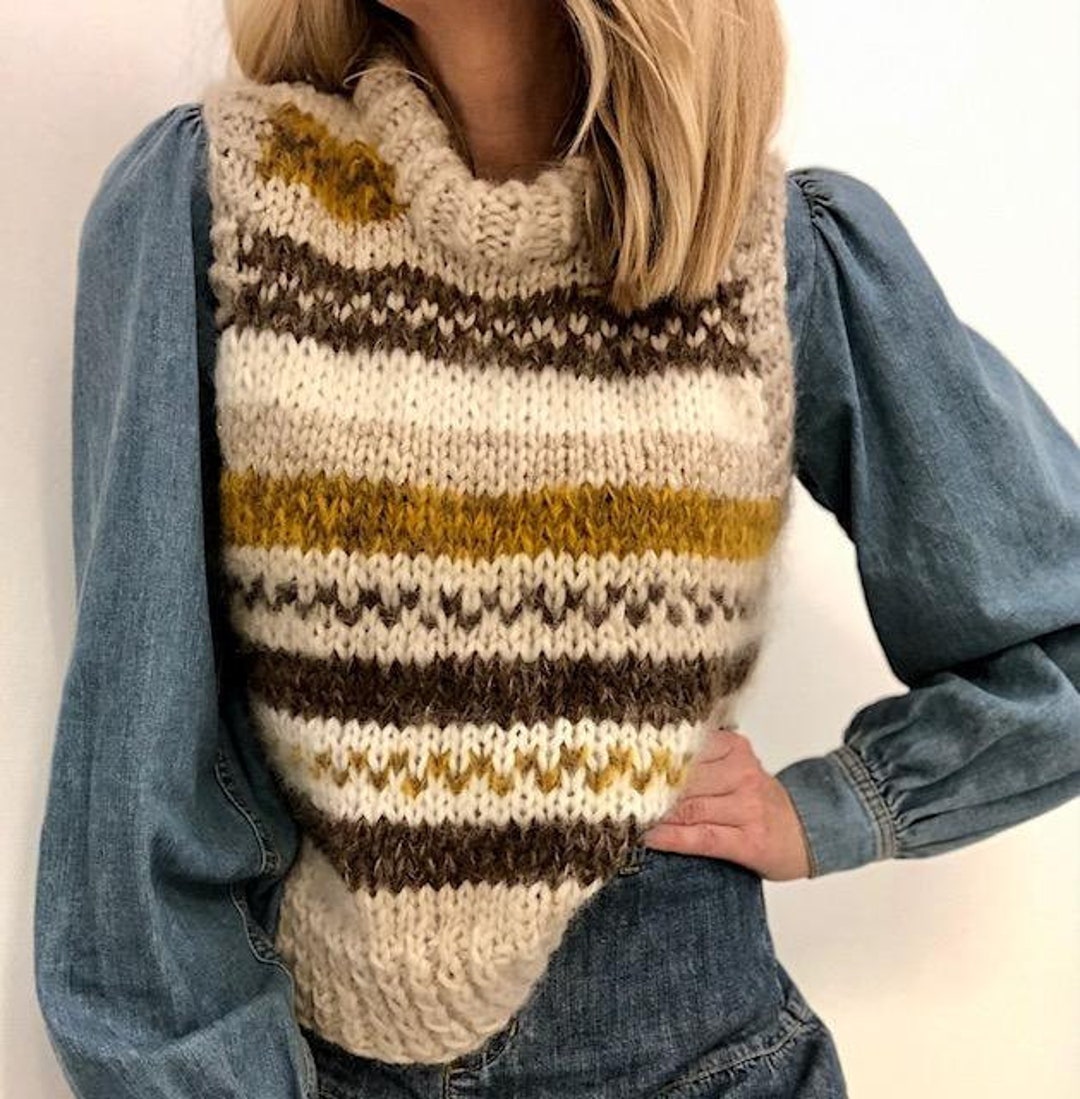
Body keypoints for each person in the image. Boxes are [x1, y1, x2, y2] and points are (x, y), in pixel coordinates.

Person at [33, 2, 1079, 1097]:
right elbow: (135, 787)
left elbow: (1052, 632)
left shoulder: (770, 251)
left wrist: (846, 805)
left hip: (704, 1049)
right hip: (328, 1055)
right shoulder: (220, 196)